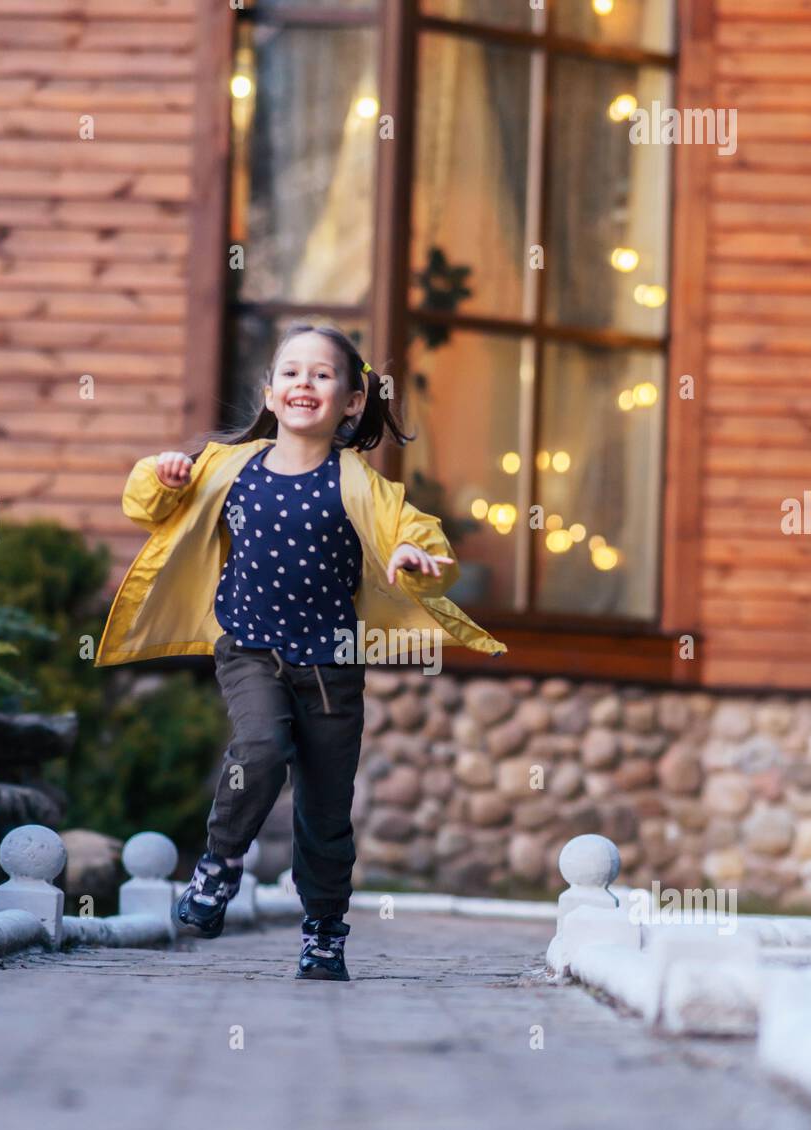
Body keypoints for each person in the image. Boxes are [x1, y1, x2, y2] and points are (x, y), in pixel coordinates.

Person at [95, 322, 507, 980]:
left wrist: (418, 560)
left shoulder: (361, 484)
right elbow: (148, 502)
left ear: (351, 401)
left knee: (323, 807)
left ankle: (322, 931)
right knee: (259, 749)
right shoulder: (227, 466)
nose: (304, 384)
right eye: (291, 373)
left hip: (331, 666)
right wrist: (164, 475)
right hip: (249, 646)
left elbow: (422, 537)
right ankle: (219, 866)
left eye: (322, 374)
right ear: (269, 393)